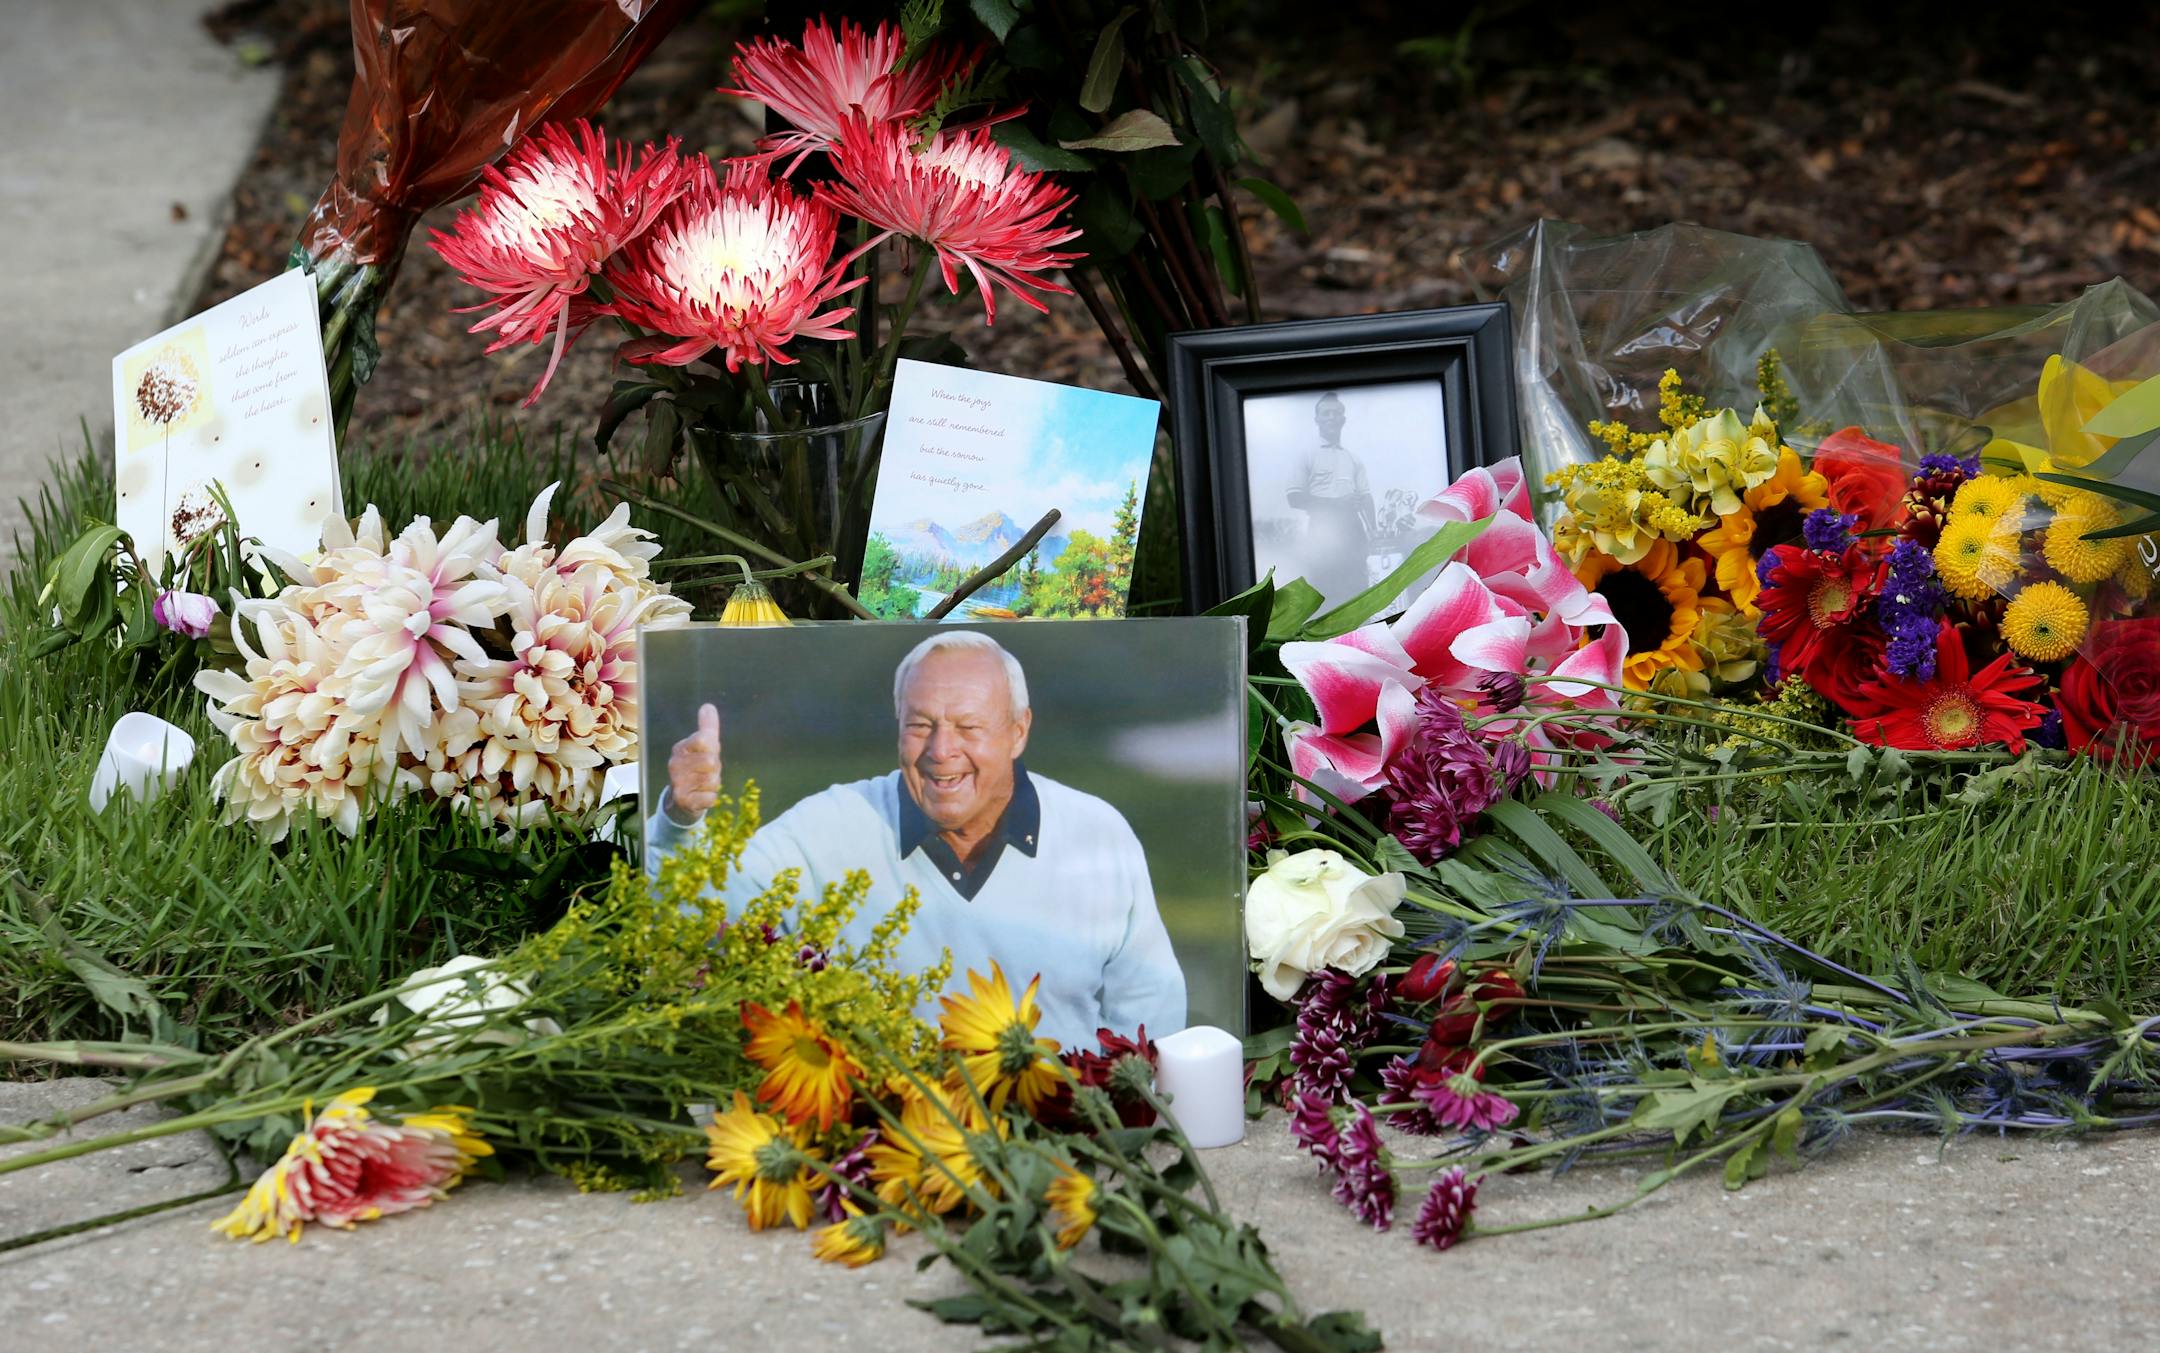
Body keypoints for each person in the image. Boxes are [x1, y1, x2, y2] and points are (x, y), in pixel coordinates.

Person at [647, 631, 1186, 1048]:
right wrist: (682, 820)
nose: (941, 750)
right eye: (920, 725)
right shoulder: (829, 828)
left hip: (1063, 1142)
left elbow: (1148, 1009)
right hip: (881, 1146)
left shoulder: (1097, 832)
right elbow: (697, 924)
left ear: (1018, 731)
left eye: (969, 726)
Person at [1285, 391, 1376, 606]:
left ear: (1343, 419)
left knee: (1357, 589)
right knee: (1325, 590)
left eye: (1336, 413)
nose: (1331, 418)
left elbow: (1366, 497)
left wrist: (1374, 531)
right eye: (1326, 413)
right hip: (1323, 530)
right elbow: (1294, 498)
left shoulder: (1352, 458)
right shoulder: (1307, 454)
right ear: (1317, 419)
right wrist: (1336, 504)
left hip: (1354, 529)